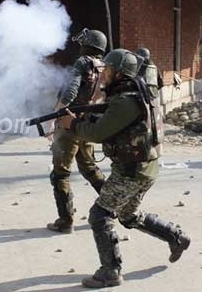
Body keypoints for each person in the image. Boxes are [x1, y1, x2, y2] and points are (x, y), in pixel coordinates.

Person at [59, 48, 191, 288]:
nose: (103, 74)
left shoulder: (125, 100)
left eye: (108, 70)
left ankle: (110, 271)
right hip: (144, 168)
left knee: (100, 215)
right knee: (128, 215)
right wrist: (85, 116)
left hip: (132, 170)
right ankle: (176, 237)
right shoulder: (133, 93)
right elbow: (110, 122)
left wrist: (74, 124)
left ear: (119, 73)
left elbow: (98, 133)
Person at [46, 28, 108, 234]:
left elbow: (70, 92)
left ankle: (65, 221)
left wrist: (53, 118)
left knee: (60, 174)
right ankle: (112, 206)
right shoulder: (105, 66)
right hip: (88, 126)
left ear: (87, 45)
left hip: (69, 125)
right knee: (90, 168)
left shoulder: (83, 63)